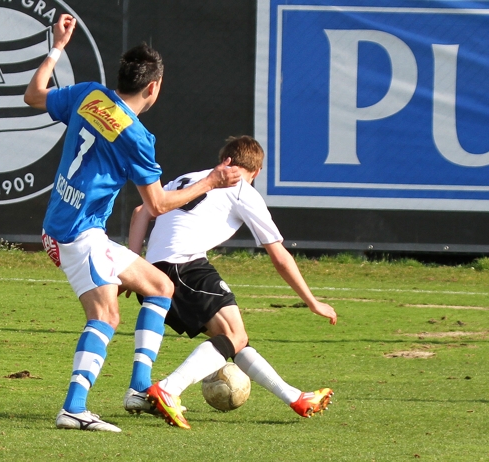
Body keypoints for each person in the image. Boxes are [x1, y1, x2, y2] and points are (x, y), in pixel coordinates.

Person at [24, 14, 241, 433]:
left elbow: (34, 95)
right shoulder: (137, 137)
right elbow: (157, 204)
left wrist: (58, 47)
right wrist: (213, 180)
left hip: (66, 224)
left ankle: (140, 388)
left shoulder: (89, 95)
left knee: (160, 287)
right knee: (105, 317)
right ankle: (73, 409)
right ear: (153, 88)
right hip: (76, 233)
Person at [127, 135, 338, 429]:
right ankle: (168, 389)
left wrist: (133, 264)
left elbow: (141, 212)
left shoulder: (187, 178)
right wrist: (312, 302)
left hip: (155, 269)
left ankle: (296, 398)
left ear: (224, 158)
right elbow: (280, 257)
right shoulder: (242, 189)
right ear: (258, 171)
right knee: (234, 337)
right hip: (184, 266)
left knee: (235, 339)